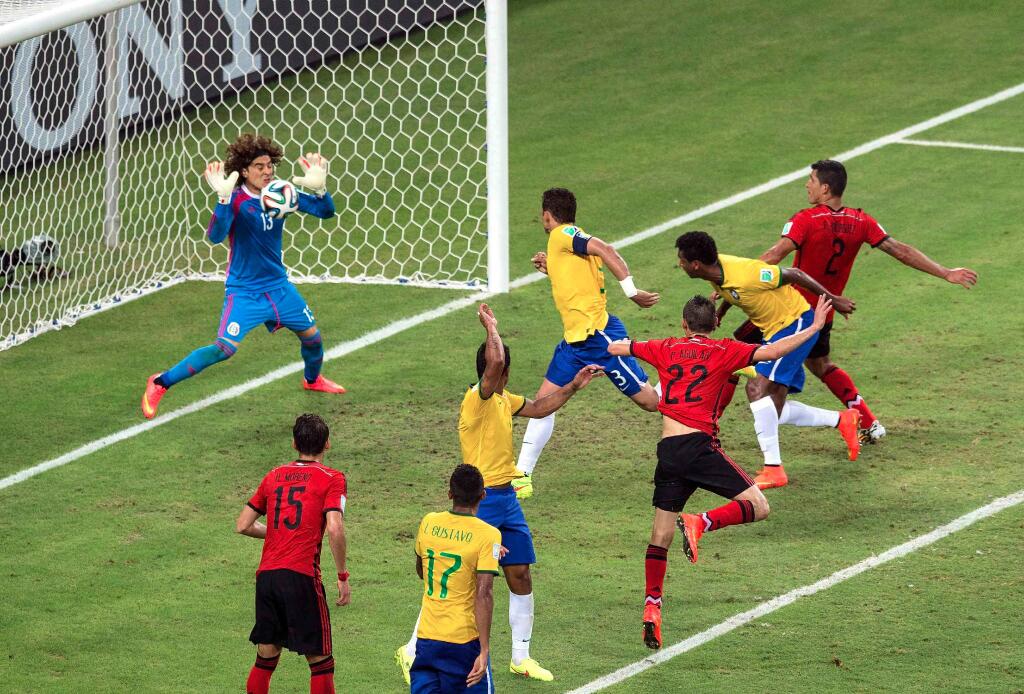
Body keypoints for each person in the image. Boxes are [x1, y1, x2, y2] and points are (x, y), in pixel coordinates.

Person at [609, 293, 831, 650]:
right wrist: (815, 327)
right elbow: (774, 352)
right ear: (714, 325)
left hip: (668, 451)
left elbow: (621, 348)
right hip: (699, 449)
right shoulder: (726, 350)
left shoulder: (663, 347)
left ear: (683, 324)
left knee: (659, 536)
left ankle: (652, 607)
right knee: (758, 506)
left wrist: (596, 357)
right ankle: (702, 523)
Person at [397, 303, 604, 684]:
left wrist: (574, 385)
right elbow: (492, 365)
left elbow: (541, 408)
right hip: (481, 503)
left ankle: (521, 658)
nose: (504, 370)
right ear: (498, 370)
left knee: (521, 574)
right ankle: (413, 648)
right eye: (503, 366)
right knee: (474, 582)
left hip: (507, 500)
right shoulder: (477, 399)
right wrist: (492, 328)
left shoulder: (505, 401)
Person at [727, 159, 978, 442]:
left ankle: (714, 423)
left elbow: (774, 256)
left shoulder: (805, 219)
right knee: (820, 365)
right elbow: (901, 251)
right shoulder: (861, 221)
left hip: (790, 313)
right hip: (825, 311)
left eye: (810, 180)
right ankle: (869, 422)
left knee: (739, 353)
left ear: (825, 188)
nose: (806, 185)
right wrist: (945, 272)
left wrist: (734, 276)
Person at [141, 133, 345, 419]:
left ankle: (312, 380)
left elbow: (326, 212)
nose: (266, 171)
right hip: (244, 291)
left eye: (269, 165)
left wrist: (321, 190)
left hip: (278, 287)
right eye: (259, 166)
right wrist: (223, 199)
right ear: (244, 170)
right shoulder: (236, 201)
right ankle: (160, 382)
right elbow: (215, 236)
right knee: (223, 349)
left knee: (312, 338)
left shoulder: (282, 193)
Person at [675, 230, 861, 490]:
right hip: (773, 330)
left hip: (794, 323)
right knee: (773, 408)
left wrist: (834, 300)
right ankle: (842, 420)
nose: (679, 263)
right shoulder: (715, 271)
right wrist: (721, 311)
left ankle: (774, 469)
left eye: (681, 260)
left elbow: (794, 275)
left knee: (756, 389)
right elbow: (733, 292)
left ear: (695, 265)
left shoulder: (746, 273)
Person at [515, 187, 660, 496]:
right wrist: (551, 268)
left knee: (652, 402)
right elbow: (579, 281)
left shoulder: (562, 235)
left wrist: (632, 291)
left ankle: (694, 364)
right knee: (542, 405)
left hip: (600, 338)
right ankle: (521, 475)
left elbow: (607, 249)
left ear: (546, 215)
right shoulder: (569, 240)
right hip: (575, 341)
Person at [235, 413, 350, 694]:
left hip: (267, 578)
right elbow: (334, 528)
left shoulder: (273, 476)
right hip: (301, 577)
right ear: (327, 445)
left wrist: (278, 532)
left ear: (293, 444)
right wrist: (342, 576)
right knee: (321, 661)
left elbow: (242, 525)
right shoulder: (332, 478)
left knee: (266, 656)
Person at [409, 464, 502, 693]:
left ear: (450, 494)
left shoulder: (429, 522)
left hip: (427, 638)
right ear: (483, 495)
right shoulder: (489, 535)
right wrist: (484, 649)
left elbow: (422, 570)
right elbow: (484, 593)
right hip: (463, 641)